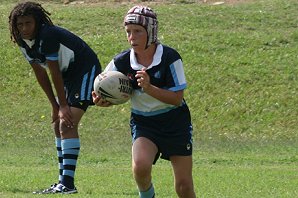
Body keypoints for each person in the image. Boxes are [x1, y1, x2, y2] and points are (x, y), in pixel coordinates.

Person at [92, 5, 196, 198]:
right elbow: (105, 87)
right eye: (128, 32)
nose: (132, 37)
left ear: (151, 32)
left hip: (175, 123)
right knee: (140, 167)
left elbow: (176, 99)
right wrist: (102, 99)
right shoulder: (121, 62)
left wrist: (149, 88)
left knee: (183, 187)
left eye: (138, 31)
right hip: (144, 123)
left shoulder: (170, 58)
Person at [9, 1, 101, 194]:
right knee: (57, 125)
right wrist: (54, 105)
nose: (24, 28)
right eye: (20, 24)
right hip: (67, 75)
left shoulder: (47, 35)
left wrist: (64, 105)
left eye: (28, 23)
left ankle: (67, 184)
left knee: (66, 123)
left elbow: (54, 72)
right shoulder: (21, 39)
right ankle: (62, 182)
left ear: (38, 22)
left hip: (84, 70)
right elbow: (40, 73)